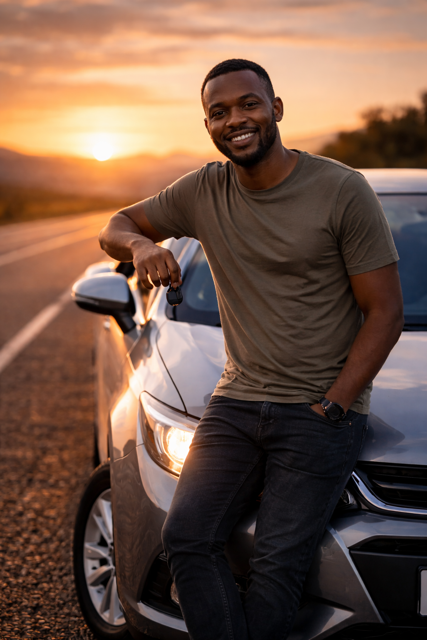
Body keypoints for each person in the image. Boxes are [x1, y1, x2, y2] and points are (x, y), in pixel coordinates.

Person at [99, 59, 403, 640]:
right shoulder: (203, 190)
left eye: (248, 104)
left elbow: (385, 312)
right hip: (236, 401)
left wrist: (335, 405)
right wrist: (139, 245)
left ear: (276, 109)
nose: (235, 119)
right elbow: (114, 224)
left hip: (319, 410)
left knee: (277, 565)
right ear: (208, 125)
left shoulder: (342, 190)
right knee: (187, 537)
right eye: (219, 112)